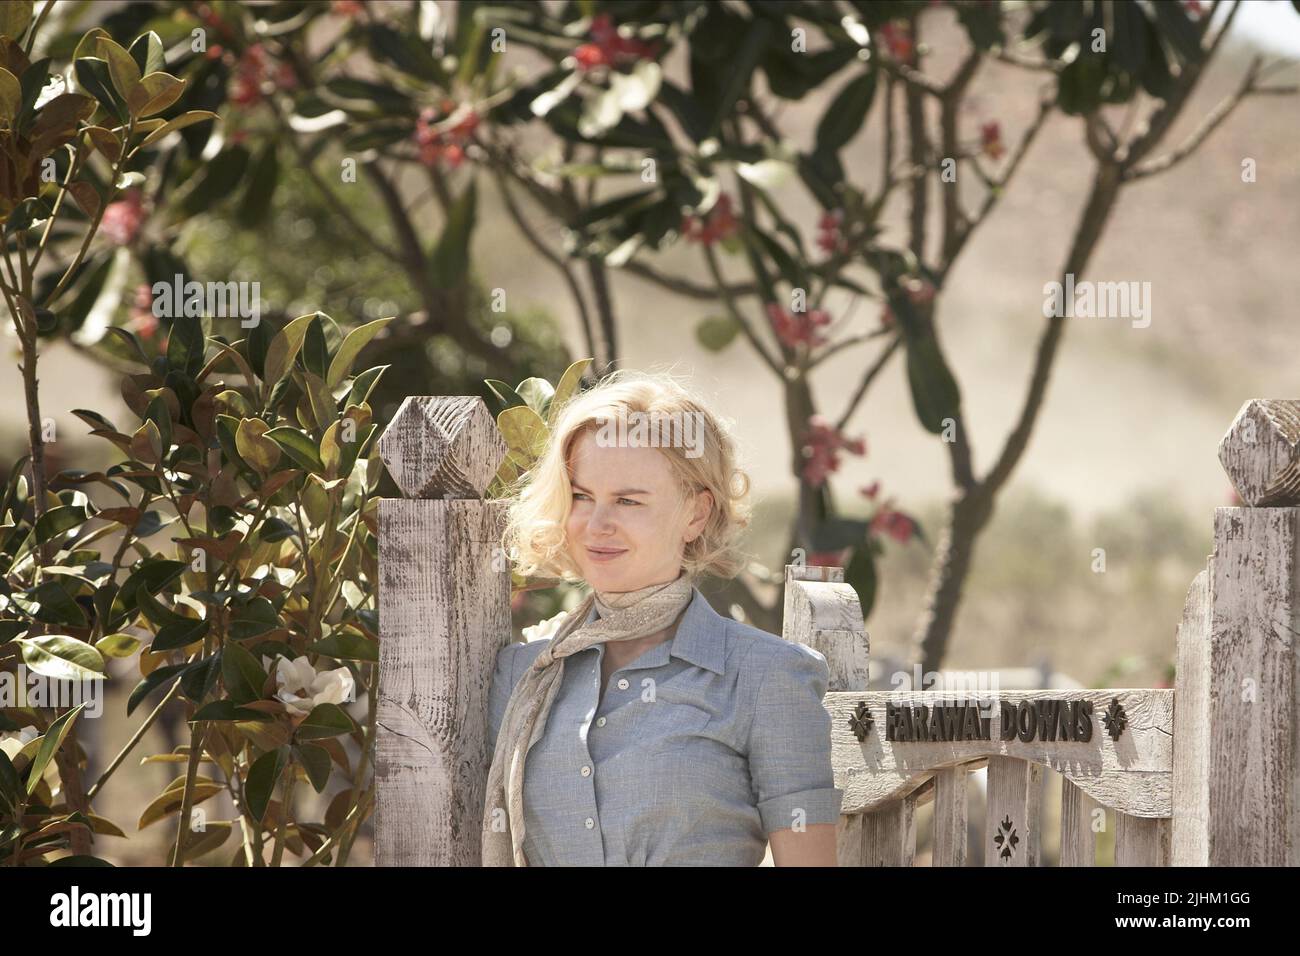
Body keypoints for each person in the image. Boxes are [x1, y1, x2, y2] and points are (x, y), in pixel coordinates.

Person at [482, 367, 842, 866]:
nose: (597, 524)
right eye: (582, 497)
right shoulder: (521, 676)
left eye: (628, 501)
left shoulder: (767, 677)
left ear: (696, 514)